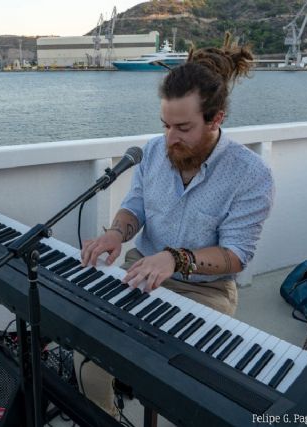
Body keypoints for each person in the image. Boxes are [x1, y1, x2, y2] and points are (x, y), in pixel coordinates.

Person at [75, 42, 275, 417]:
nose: (170, 138)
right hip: (140, 270)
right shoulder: (153, 152)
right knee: (87, 353)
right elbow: (134, 207)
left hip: (205, 290)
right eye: (165, 125)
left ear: (216, 119)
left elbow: (236, 256)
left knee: (182, 381)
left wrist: (175, 258)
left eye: (183, 127)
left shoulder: (251, 174)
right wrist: (116, 233)